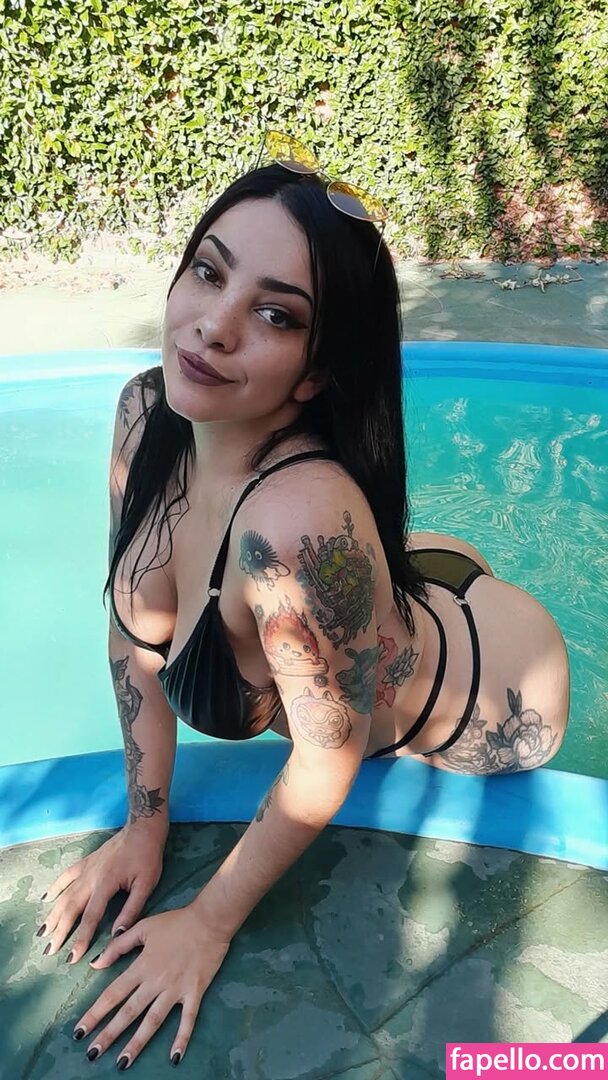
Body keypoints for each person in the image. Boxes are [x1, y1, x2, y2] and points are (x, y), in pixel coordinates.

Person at [36, 160, 570, 1069]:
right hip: (395, 581)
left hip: (491, 686)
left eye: (276, 315)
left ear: (319, 370)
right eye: (209, 270)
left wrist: (207, 922)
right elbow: (133, 637)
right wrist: (143, 827)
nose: (215, 324)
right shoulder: (146, 415)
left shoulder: (294, 529)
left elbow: (327, 757)